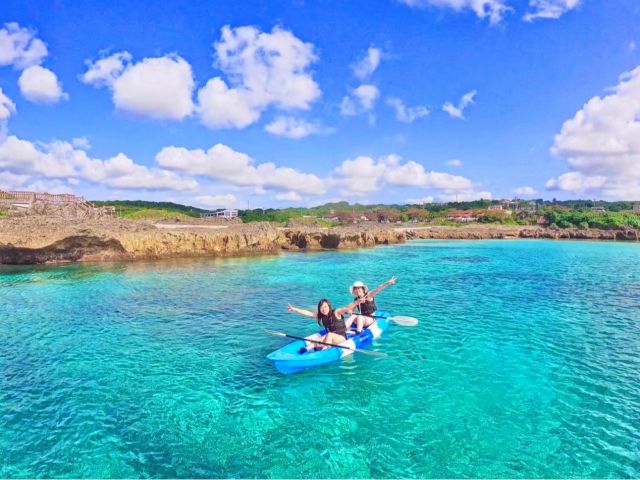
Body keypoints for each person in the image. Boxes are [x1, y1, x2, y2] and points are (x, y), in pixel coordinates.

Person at [287, 296, 367, 353]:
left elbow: (344, 309)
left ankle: (323, 351)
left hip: (342, 338)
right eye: (322, 308)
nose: (324, 309)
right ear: (319, 309)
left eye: (325, 307)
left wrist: (355, 304)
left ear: (329, 306)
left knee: (329, 335)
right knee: (318, 340)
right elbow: (308, 313)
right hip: (331, 338)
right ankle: (305, 350)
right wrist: (295, 309)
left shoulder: (336, 312)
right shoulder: (321, 316)